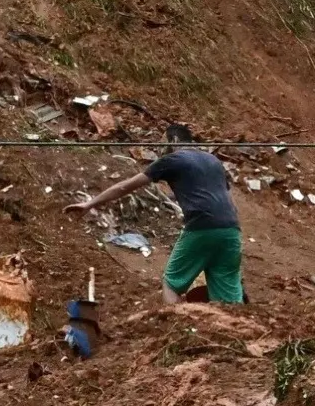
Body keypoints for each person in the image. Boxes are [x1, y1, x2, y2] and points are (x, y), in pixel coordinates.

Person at [73, 125, 243, 306]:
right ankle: (243, 330)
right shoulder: (213, 161)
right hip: (231, 230)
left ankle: (177, 327)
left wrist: (90, 203)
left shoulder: (173, 159)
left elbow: (124, 187)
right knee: (228, 292)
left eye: (162, 142)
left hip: (201, 226)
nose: (159, 148)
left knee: (172, 283)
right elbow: (228, 200)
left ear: (174, 141)